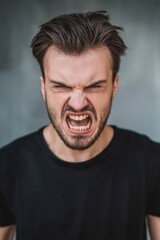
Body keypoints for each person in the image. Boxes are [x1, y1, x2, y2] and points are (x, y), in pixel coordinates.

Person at [0, 11, 160, 240]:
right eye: (61, 86)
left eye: (95, 86)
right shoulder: (6, 167)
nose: (77, 104)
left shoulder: (153, 161)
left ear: (114, 86)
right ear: (43, 87)